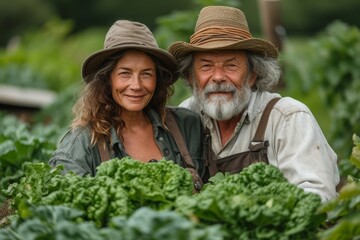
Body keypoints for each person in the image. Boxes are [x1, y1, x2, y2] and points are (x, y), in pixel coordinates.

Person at [168, 6, 340, 201]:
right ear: (191, 77)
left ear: (252, 74)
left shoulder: (288, 118)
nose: (217, 77)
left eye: (231, 65)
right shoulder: (185, 116)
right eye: (206, 66)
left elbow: (318, 196)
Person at [49, 20, 208, 188]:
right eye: (125, 73)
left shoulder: (187, 125)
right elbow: (63, 204)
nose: (136, 85)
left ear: (157, 79)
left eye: (146, 74)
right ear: (107, 79)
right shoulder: (81, 144)